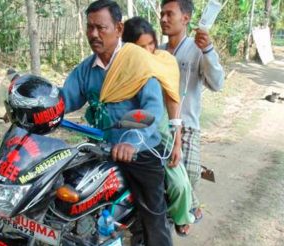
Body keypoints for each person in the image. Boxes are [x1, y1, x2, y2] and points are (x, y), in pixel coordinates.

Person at [62, 1, 172, 245]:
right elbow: (65, 99)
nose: (93, 34)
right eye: (90, 28)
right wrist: (35, 104)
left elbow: (153, 108)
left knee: (153, 215)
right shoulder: (86, 69)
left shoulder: (138, 63)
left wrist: (132, 142)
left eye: (101, 28)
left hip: (140, 150)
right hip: (101, 146)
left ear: (119, 29)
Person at [123, 16, 195, 236]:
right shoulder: (121, 68)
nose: (147, 51)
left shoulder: (163, 63)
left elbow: (174, 105)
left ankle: (182, 216)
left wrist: (176, 143)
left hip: (160, 135)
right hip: (126, 134)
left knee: (179, 184)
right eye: (140, 47)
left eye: (150, 44)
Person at [160, 0, 225, 222]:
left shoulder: (197, 49)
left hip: (186, 126)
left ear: (186, 18)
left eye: (170, 14)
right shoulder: (157, 51)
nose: (163, 19)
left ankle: (190, 209)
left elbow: (217, 84)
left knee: (188, 176)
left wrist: (208, 50)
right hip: (158, 126)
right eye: (162, 14)